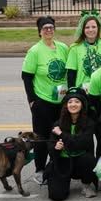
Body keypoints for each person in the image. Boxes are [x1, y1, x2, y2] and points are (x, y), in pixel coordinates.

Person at [22, 16, 69, 184]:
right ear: (39, 31)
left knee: (58, 135)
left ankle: (55, 166)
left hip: (61, 101)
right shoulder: (35, 51)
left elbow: (69, 70)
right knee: (41, 137)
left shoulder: (63, 47)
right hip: (42, 102)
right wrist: (32, 101)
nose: (48, 30)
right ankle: (40, 169)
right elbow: (26, 77)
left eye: (50, 27)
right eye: (44, 28)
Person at [46, 88, 98, 201]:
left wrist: (61, 134)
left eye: (77, 102)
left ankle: (86, 185)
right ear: (66, 105)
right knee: (57, 196)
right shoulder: (57, 123)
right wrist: (56, 148)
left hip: (80, 160)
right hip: (63, 161)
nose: (73, 104)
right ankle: (63, 183)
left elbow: (81, 144)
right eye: (70, 102)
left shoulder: (89, 123)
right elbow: (50, 148)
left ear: (82, 105)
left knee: (89, 160)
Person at [66, 12, 101, 88]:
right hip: (82, 91)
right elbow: (71, 74)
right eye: (87, 27)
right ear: (82, 29)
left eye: (94, 27)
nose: (91, 30)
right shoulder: (75, 48)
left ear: (98, 28)